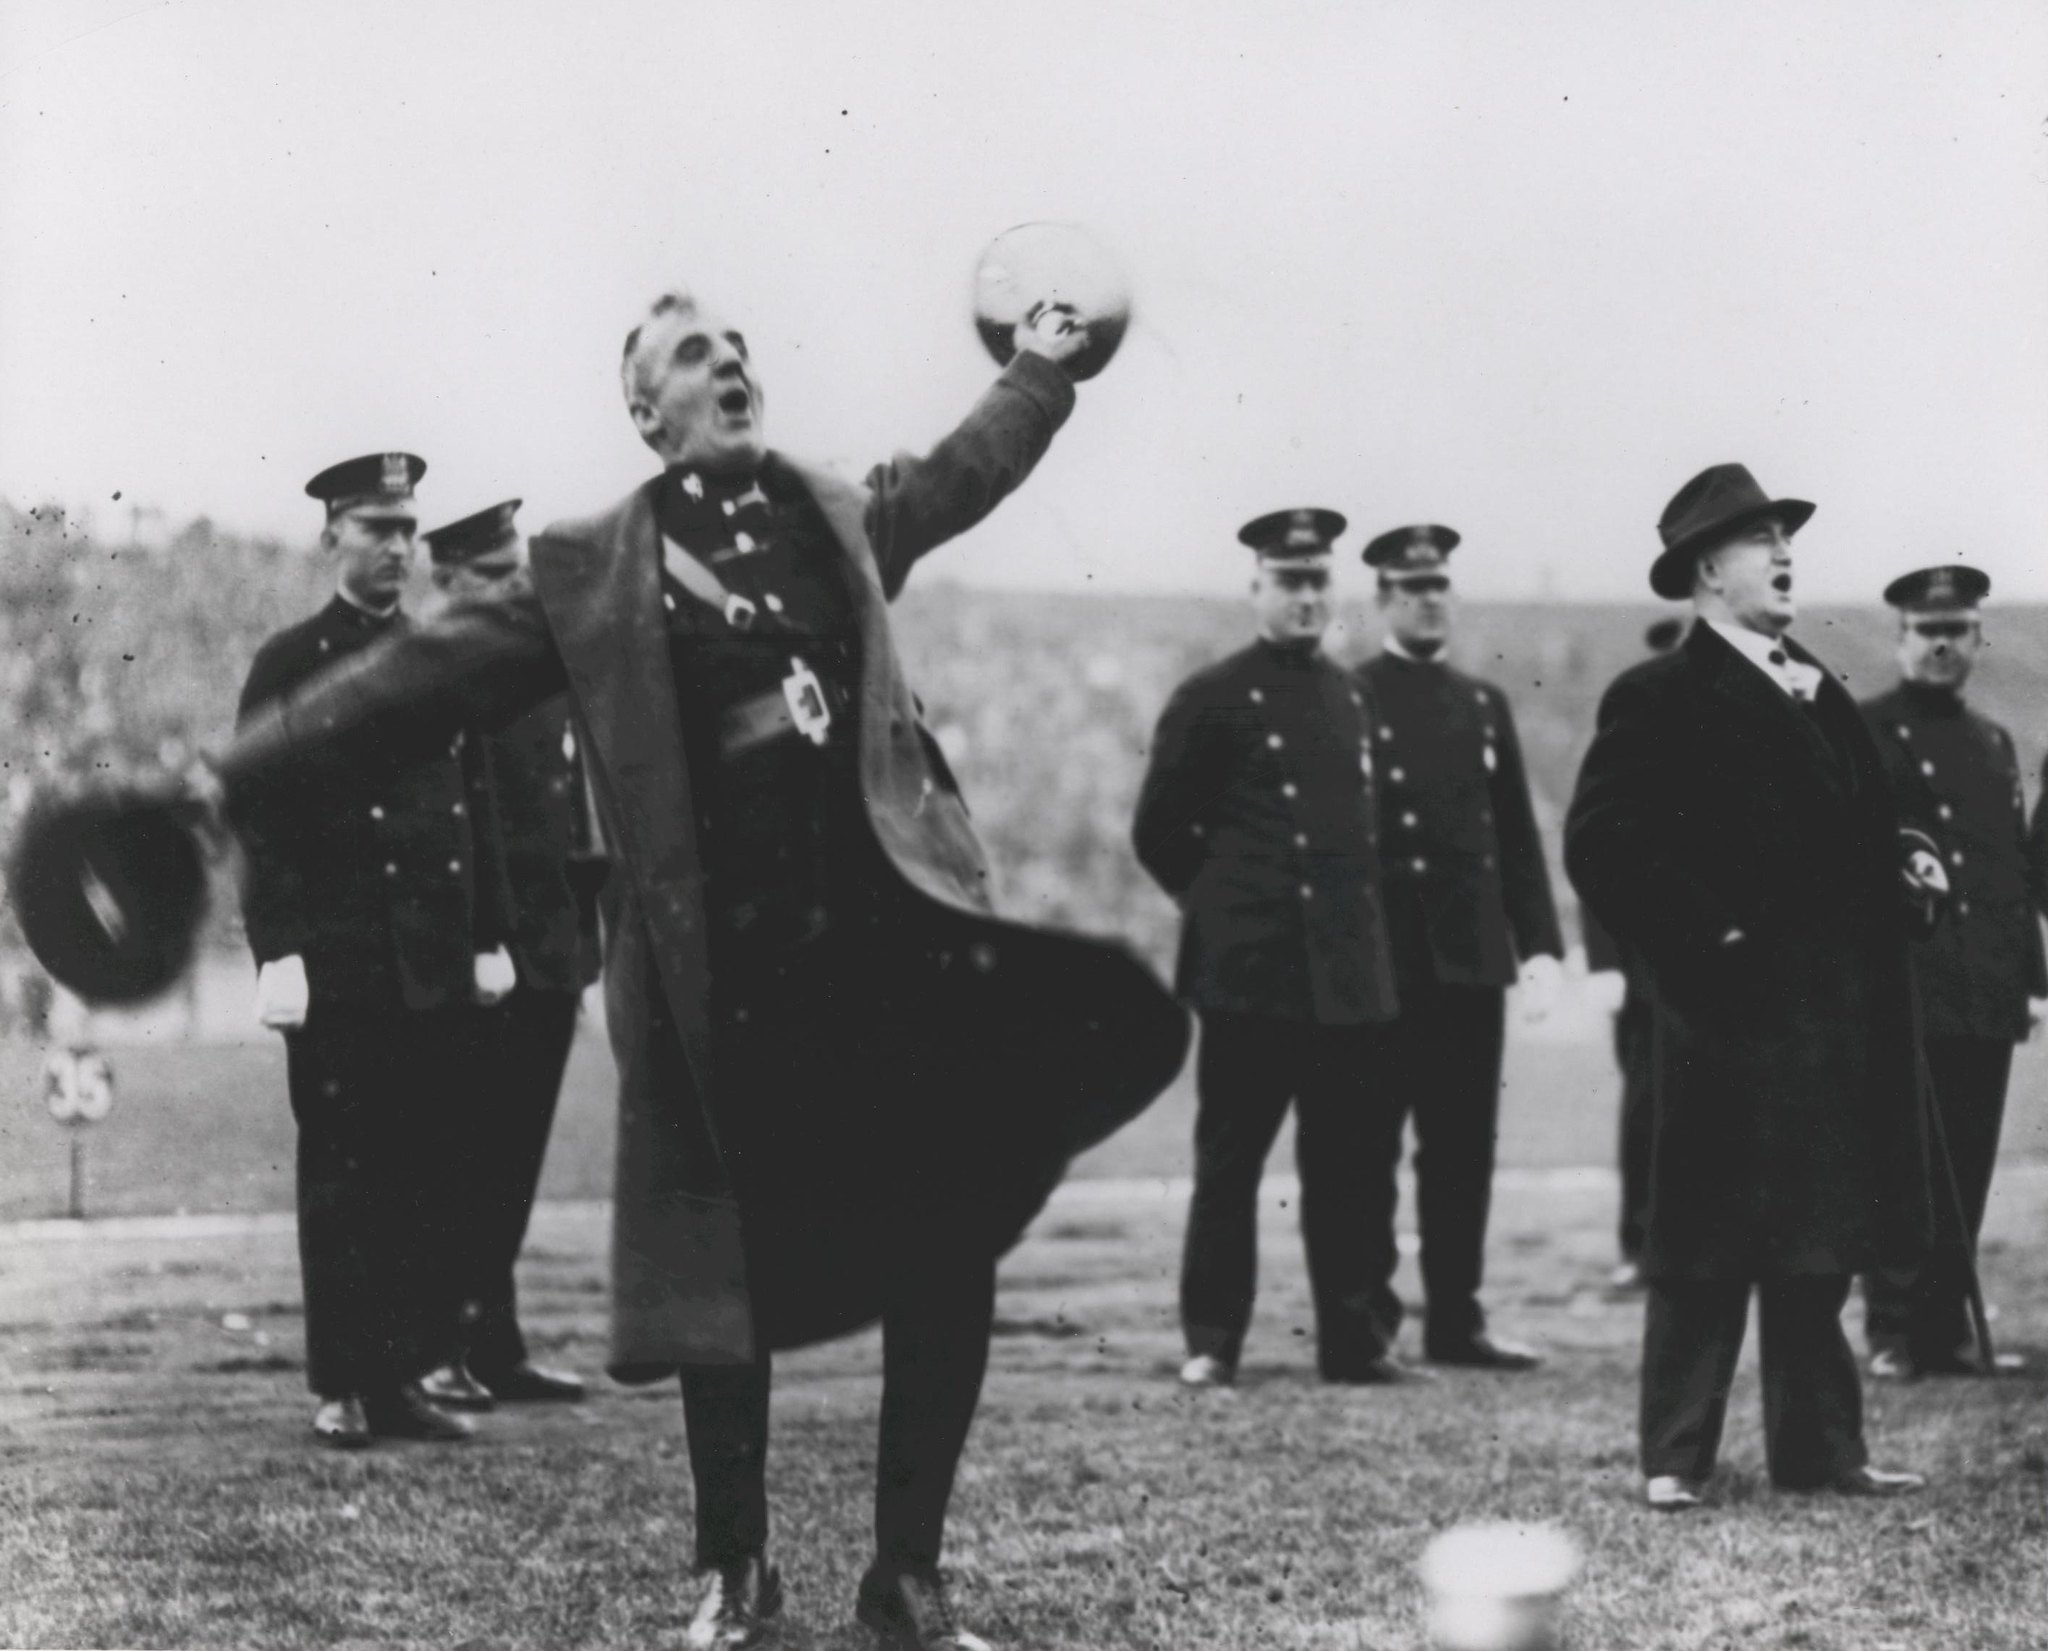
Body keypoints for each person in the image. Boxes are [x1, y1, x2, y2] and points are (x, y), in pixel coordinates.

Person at [211, 290, 1186, 1651]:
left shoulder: (840, 515)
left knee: (946, 1249)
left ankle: (907, 1575)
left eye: (739, 349)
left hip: (887, 955)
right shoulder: (590, 567)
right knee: (718, 1272)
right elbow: (411, 683)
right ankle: (737, 1572)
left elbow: (966, 471)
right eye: (691, 356)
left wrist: (1036, 363)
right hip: (719, 979)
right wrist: (227, 779)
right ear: (643, 412)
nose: (728, 364)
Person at [1564, 461, 1950, 1511]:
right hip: (1725, 1015)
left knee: (1817, 1243)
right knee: (1701, 1250)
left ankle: (1820, 1451)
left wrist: (1905, 859)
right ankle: (1674, 1457)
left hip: (1831, 1018)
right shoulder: (1656, 693)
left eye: (1787, 539)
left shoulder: (1814, 684)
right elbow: (1600, 844)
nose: (1784, 556)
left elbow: (1856, 832)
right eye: (1759, 541)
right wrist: (1709, 938)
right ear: (1703, 569)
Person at [231, 452, 514, 1449]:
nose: (397, 545)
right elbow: (259, 821)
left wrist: (487, 935)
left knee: (424, 1171)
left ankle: (401, 1378)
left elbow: (473, 800)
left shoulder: (444, 651)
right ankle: (344, 1381)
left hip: (431, 956)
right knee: (345, 1174)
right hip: (341, 962)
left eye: (406, 528)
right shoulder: (288, 662)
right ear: (331, 536)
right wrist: (278, 950)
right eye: (376, 528)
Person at [1132, 508, 1405, 1389]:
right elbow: (1159, 831)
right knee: (1230, 1165)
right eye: (1289, 580)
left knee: (1351, 1170)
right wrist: (1226, 913)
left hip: (1344, 978)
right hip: (1251, 976)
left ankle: (1354, 1343)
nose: (1306, 596)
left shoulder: (1352, 694)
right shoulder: (1212, 694)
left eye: (1318, 580)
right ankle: (1213, 1339)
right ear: (1257, 587)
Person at [1347, 524, 1562, 1372]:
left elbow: (1517, 836)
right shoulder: (1351, 695)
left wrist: (1540, 945)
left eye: (1439, 584)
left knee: (1463, 1151)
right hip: (1387, 964)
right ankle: (1369, 1324)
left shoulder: (1482, 705)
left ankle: (1456, 1319)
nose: (1428, 598)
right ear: (1382, 601)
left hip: (1470, 963)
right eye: (1411, 586)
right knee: (1371, 1150)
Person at [415, 501, 600, 1411]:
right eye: (491, 578)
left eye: (513, 573)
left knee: (515, 1155)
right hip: (480, 954)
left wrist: (586, 943)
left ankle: (494, 1340)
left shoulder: (544, 672)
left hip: (552, 951)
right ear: (447, 583)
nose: (510, 590)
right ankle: (442, 1342)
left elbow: (579, 818)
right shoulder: (445, 678)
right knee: (463, 1154)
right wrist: (483, 942)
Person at [1859, 564, 2045, 1378]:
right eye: (1927, 631)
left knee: (1967, 1158)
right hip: (1908, 982)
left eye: (1957, 631)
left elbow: (2005, 871)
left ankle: (1948, 1328)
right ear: (1900, 637)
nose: (1942, 644)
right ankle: (1894, 1329)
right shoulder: (1863, 730)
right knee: (1902, 1160)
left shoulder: (1993, 740)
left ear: (1976, 639)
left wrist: (2030, 979)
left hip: (1985, 984)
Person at [1583, 615, 1687, 1293]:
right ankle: (1640, 1242)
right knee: (1648, 1109)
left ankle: (1709, 1244)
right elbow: (1596, 861)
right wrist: (1605, 965)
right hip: (1649, 975)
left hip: (1725, 973)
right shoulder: (1633, 752)